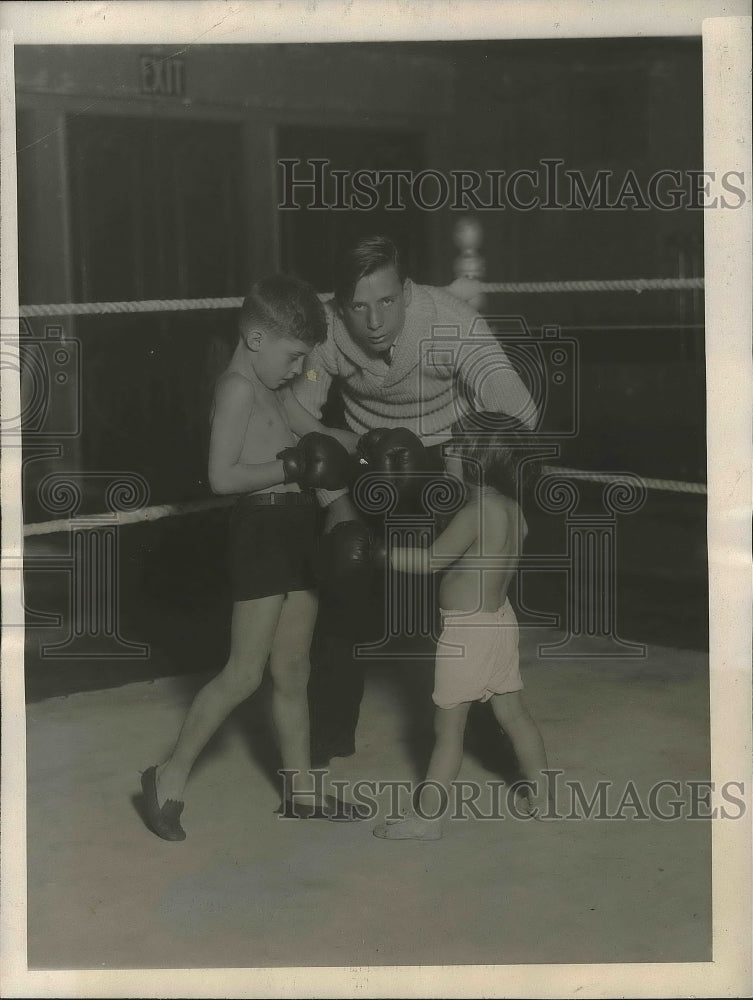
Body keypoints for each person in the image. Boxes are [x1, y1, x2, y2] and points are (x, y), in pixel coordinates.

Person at [292, 235, 539, 765]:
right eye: (359, 305)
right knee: (341, 581)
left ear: (407, 290)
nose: (375, 320)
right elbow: (299, 421)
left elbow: (517, 408)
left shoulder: (449, 320)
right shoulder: (325, 328)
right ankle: (328, 736)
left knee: (461, 592)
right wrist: (335, 499)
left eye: (386, 301)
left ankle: (484, 728)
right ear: (339, 304)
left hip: (445, 458)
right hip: (362, 458)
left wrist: (461, 460)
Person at [140, 274, 362, 841]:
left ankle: (303, 794)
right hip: (259, 531)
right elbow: (220, 476)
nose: (298, 370)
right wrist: (288, 468)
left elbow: (325, 437)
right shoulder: (237, 387)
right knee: (243, 673)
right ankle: (168, 775)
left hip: (297, 528)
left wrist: (375, 442)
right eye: (293, 357)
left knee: (293, 670)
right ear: (258, 339)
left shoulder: (278, 390)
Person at [370, 415, 550, 840]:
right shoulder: (512, 509)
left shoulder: (476, 511)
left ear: (475, 463)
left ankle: (427, 820)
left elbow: (432, 560)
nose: (445, 454)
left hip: (467, 633)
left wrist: (381, 554)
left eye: (453, 449)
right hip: (500, 622)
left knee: (448, 728)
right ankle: (544, 799)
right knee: (515, 715)